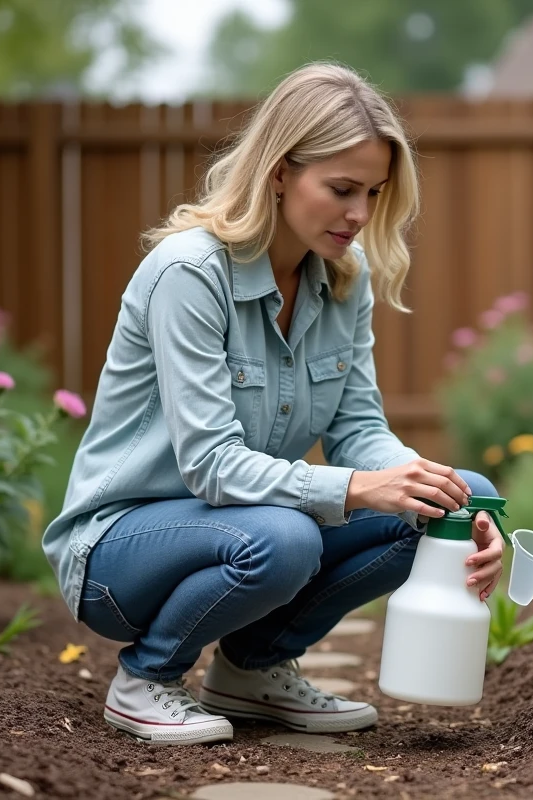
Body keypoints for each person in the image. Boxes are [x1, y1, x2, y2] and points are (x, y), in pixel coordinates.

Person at [42, 63, 505, 746]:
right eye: (342, 189)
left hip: (244, 526)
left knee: (459, 495)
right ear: (280, 171)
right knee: (282, 539)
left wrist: (434, 494)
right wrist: (356, 488)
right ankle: (147, 677)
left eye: (373, 193)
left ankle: (251, 671)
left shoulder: (346, 278)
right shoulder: (189, 273)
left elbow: (359, 431)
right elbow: (211, 466)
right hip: (120, 552)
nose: (359, 215)